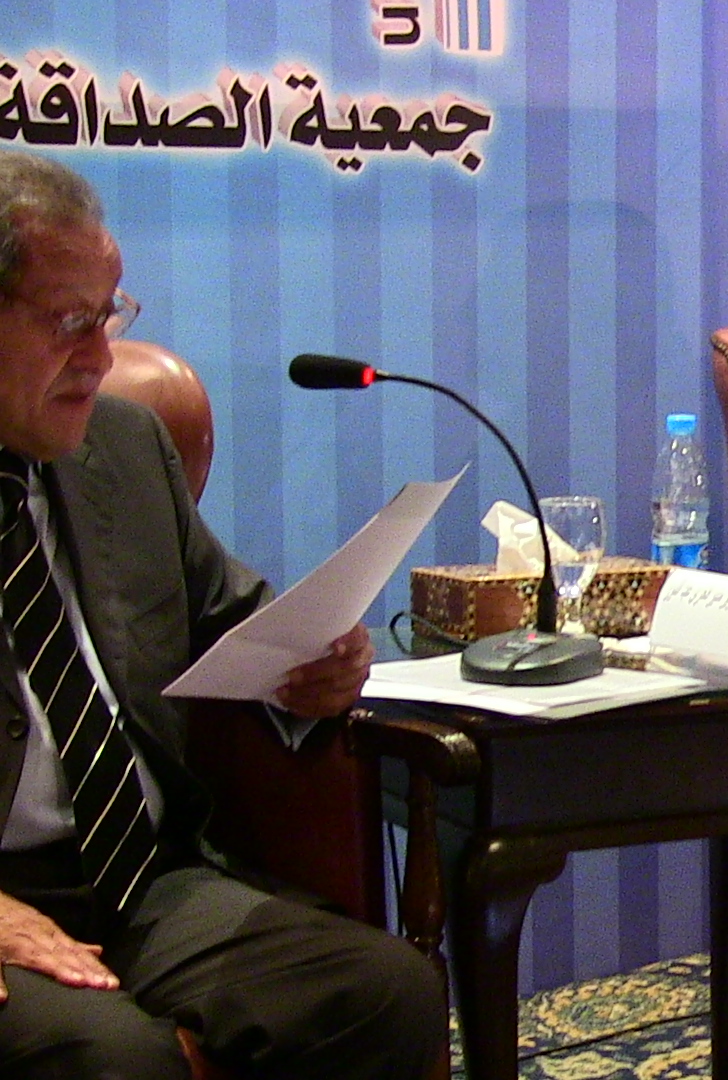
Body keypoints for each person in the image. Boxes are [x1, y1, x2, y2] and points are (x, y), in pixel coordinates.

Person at [0, 150, 442, 1077]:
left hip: (144, 876)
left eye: (110, 315)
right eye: (69, 322)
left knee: (385, 992)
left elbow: (238, 626)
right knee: (116, 1060)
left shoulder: (123, 446)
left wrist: (316, 673)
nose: (101, 358)